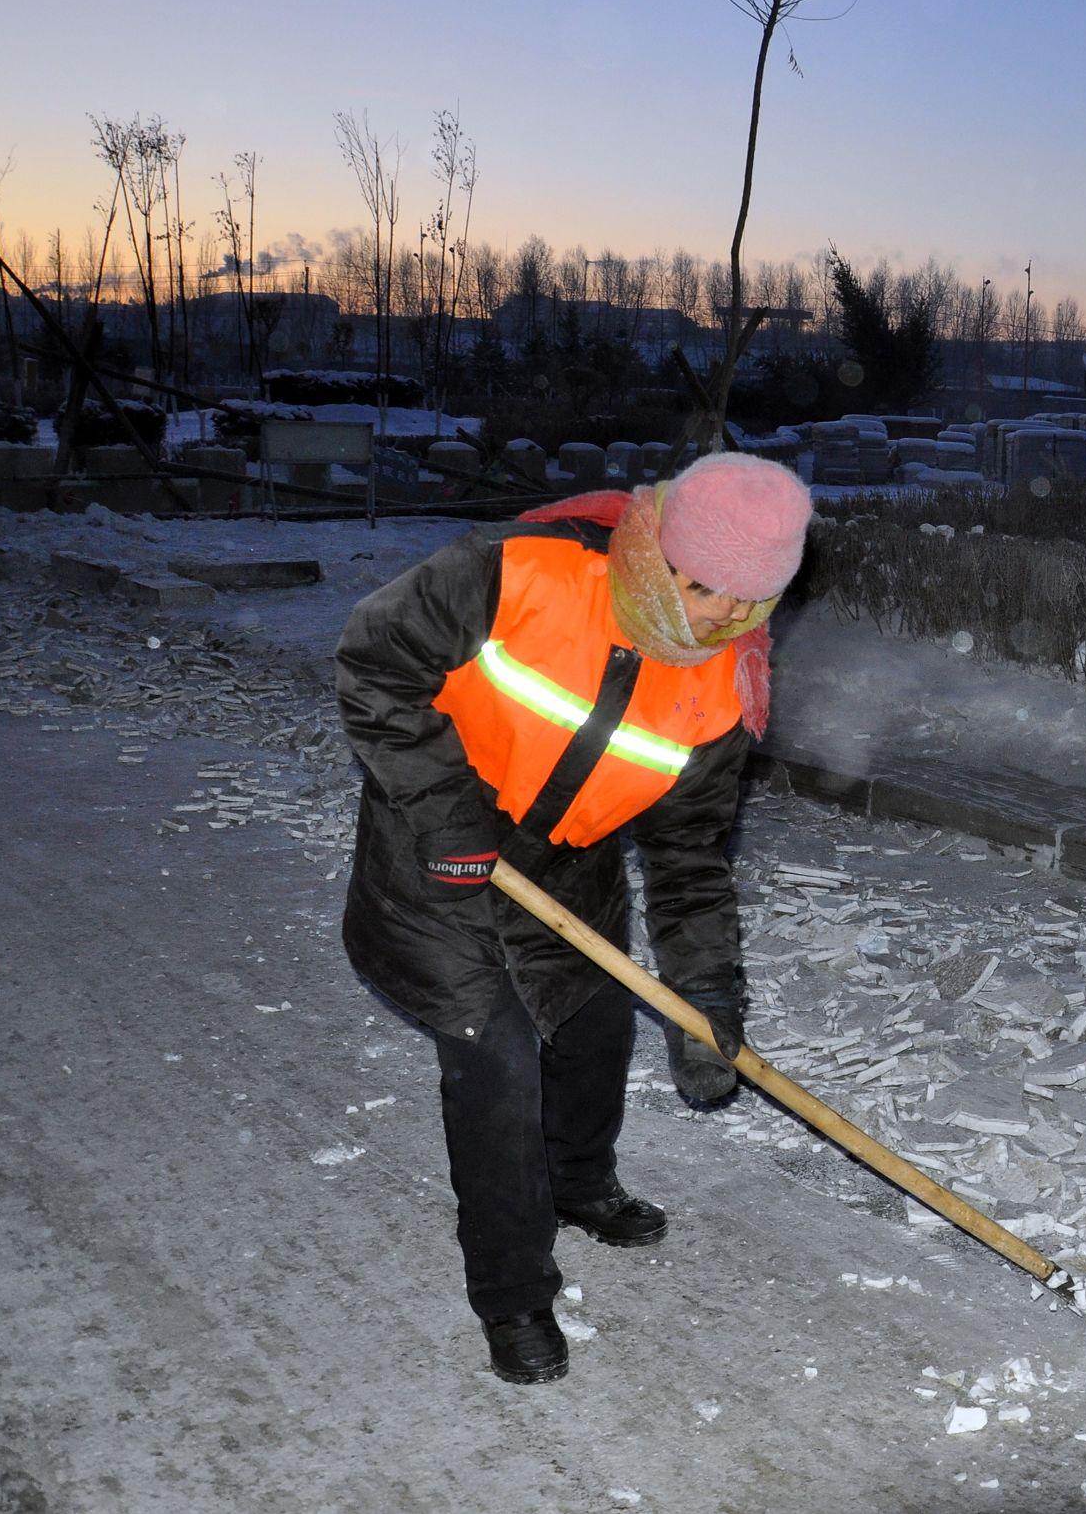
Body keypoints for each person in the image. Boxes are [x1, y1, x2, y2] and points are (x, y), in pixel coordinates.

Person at [335, 452, 812, 1385]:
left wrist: (705, 996)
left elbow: (688, 858)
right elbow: (374, 660)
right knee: (497, 1053)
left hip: (568, 854)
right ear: (665, 557)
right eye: (714, 591)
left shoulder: (722, 684)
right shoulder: (522, 570)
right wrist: (443, 812)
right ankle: (512, 1290)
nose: (729, 620)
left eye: (754, 605)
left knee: (594, 1023)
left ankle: (581, 1180)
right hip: (441, 833)